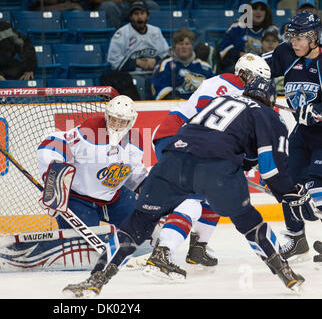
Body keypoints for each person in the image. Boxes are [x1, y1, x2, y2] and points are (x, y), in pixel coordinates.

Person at [63, 76, 320, 298]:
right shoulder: (269, 116)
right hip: (216, 170)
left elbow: (198, 133)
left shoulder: (219, 102)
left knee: (137, 224)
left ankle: (96, 279)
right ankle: (287, 275)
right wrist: (290, 193)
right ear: (270, 99)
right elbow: (271, 170)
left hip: (173, 160)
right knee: (250, 224)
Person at [145, 53, 271, 276]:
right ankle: (162, 252)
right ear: (243, 73)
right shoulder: (224, 82)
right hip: (176, 138)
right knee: (192, 199)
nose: (258, 85)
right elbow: (207, 117)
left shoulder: (244, 96)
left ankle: (198, 247)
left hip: (197, 144)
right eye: (255, 78)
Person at [0, 95, 149, 271]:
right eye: (113, 120)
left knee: (145, 228)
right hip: (80, 200)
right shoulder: (91, 130)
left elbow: (135, 174)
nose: (116, 126)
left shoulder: (136, 141)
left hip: (115, 198)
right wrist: (53, 179)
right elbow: (55, 142)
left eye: (122, 122)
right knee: (84, 252)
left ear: (131, 121)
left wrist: (151, 189)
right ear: (106, 115)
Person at [262, 11, 322, 265]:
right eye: (291, 36)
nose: (293, 42)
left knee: (317, 192)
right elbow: (253, 69)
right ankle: (297, 239)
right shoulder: (285, 53)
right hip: (301, 133)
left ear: (314, 37)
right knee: (288, 186)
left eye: (300, 37)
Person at [106, 1, 169, 77]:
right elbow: (113, 60)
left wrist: (156, 61)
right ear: (130, 17)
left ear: (147, 16)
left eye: (142, 13)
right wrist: (136, 62)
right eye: (136, 14)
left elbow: (166, 55)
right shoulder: (121, 34)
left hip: (155, 75)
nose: (139, 17)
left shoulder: (156, 31)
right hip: (129, 77)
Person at [151, 29, 214, 100]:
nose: (184, 47)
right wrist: (177, 100)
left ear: (192, 46)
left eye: (187, 44)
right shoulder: (166, 64)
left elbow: (214, 88)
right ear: (175, 46)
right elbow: (160, 88)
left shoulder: (204, 66)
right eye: (180, 44)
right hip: (175, 107)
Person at [219, 0, 279, 73]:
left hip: (266, 68)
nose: (258, 12)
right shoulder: (236, 27)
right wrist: (241, 55)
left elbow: (280, 54)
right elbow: (224, 50)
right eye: (255, 8)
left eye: (262, 9)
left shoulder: (273, 30)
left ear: (267, 12)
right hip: (239, 68)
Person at [89, 0, 160, 29]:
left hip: (134, 3)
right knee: (109, 6)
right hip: (115, 6)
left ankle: (151, 36)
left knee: (152, 5)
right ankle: (116, 38)